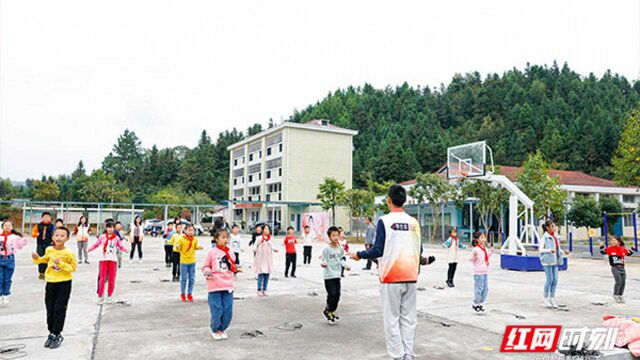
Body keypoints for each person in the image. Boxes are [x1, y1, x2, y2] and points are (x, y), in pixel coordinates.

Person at [350, 185, 422, 360]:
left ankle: (397, 355)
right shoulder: (414, 222)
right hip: (411, 277)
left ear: (388, 200)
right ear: (404, 200)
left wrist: (360, 255)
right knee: (409, 318)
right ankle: (408, 354)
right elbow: (419, 250)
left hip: (391, 278)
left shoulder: (385, 221)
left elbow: (378, 250)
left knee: (392, 319)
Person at [31, 226, 77, 349]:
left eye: (62, 235)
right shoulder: (49, 249)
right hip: (50, 282)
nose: (59, 237)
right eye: (56, 235)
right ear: (52, 237)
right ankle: (51, 332)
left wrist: (61, 264)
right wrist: (36, 258)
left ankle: (57, 333)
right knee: (50, 309)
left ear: (67, 238)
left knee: (59, 309)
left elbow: (73, 268)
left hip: (64, 283)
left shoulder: (68, 253)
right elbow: (44, 260)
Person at [203, 227, 242, 340]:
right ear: (216, 239)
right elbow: (206, 266)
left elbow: (232, 265)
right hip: (214, 286)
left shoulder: (230, 252)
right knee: (217, 309)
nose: (226, 240)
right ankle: (215, 329)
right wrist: (207, 271)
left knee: (228, 310)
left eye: (227, 238)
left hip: (227, 286)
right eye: (223, 237)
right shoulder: (212, 252)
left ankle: (222, 328)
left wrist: (236, 269)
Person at [88, 221, 128, 304]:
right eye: (108, 227)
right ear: (106, 228)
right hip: (103, 260)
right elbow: (96, 245)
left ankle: (109, 296)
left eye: (112, 227)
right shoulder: (102, 237)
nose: (110, 229)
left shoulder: (116, 238)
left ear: (114, 228)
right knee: (102, 279)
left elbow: (120, 246)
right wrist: (89, 249)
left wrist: (125, 250)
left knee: (111, 279)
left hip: (113, 260)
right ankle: (100, 296)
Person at [321, 226, 350, 324]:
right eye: (333, 235)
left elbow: (341, 259)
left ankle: (332, 311)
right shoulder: (326, 249)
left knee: (337, 295)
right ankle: (328, 310)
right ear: (329, 237)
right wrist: (323, 263)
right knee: (332, 294)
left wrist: (345, 266)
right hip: (329, 275)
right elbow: (323, 259)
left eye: (337, 235)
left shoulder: (340, 249)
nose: (336, 237)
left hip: (337, 275)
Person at [539, 220, 569, 308]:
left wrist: (563, 252)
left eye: (554, 226)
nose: (554, 228)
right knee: (549, 280)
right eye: (552, 226)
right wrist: (549, 250)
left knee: (555, 280)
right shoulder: (544, 238)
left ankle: (552, 297)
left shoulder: (555, 237)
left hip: (554, 260)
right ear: (547, 228)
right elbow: (540, 249)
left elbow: (557, 249)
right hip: (547, 261)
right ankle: (546, 297)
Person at [0, 219, 28, 305]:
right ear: (2, 227)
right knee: (0, 278)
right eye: (6, 225)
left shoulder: (15, 237)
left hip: (10, 259)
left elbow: (19, 245)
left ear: (12, 227)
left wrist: (24, 240)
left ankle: (6, 295)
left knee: (7, 279)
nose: (7, 227)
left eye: (9, 225)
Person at [599, 236, 634, 303]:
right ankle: (616, 295)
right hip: (615, 268)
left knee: (623, 282)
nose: (612, 242)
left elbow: (629, 253)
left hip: (622, 268)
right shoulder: (610, 249)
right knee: (618, 282)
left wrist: (632, 248)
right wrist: (601, 246)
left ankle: (620, 295)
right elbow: (603, 252)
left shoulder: (622, 249)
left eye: (614, 240)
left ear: (619, 242)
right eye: (612, 240)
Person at [174, 223, 203, 302]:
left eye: (192, 230)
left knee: (192, 279)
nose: (191, 232)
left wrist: (199, 247)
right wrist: (177, 247)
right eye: (189, 230)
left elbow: (195, 247)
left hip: (192, 261)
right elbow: (177, 248)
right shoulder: (182, 239)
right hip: (184, 262)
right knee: (184, 279)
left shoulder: (194, 239)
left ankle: (189, 293)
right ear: (185, 231)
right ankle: (183, 293)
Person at [469, 231, 492, 312]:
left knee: (485, 289)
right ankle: (476, 303)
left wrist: (491, 252)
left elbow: (486, 257)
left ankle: (481, 303)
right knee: (478, 288)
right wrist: (474, 256)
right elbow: (471, 259)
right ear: (477, 239)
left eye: (484, 237)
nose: (483, 239)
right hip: (478, 272)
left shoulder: (484, 248)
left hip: (485, 271)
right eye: (481, 237)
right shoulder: (476, 249)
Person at [253, 224, 277, 297]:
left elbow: (272, 246)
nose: (267, 230)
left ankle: (265, 289)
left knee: (267, 274)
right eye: (266, 229)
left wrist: (274, 249)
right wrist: (255, 249)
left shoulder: (270, 238)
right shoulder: (259, 238)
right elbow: (255, 245)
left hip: (268, 258)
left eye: (268, 229)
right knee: (261, 274)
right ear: (262, 230)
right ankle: (259, 289)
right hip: (261, 258)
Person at [32, 212, 55, 280]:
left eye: (48, 217)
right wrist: (36, 234)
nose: (46, 218)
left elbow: (54, 234)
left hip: (49, 244)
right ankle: (41, 273)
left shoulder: (52, 226)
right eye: (45, 217)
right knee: (40, 258)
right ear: (42, 218)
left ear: (50, 218)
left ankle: (47, 272)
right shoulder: (38, 226)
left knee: (48, 258)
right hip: (40, 244)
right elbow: (33, 234)